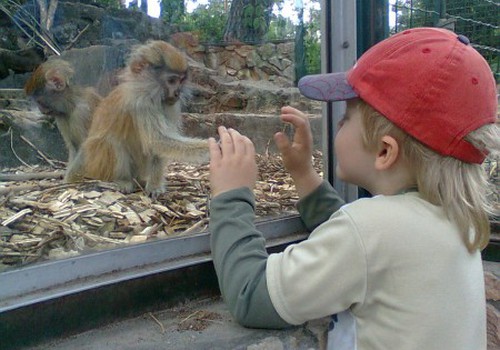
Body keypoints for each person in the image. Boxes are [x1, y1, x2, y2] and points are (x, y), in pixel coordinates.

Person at [207, 27, 499, 350]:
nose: (338, 124)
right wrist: (305, 175)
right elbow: (362, 245)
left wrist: (231, 195)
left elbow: (250, 294)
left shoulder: (370, 233)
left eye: (346, 117)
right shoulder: (457, 222)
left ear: (385, 152)